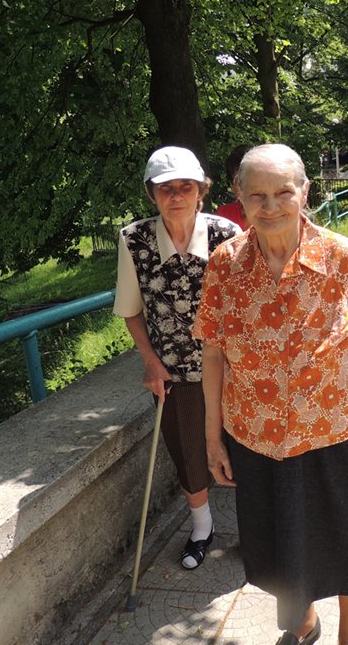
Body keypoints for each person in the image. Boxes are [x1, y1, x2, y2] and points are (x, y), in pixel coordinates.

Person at [194, 143, 348, 645]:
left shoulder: (343, 257)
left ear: (305, 192)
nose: (271, 206)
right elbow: (213, 354)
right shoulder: (223, 265)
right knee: (281, 548)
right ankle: (303, 622)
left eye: (283, 192)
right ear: (239, 196)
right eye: (257, 195)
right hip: (259, 438)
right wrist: (213, 440)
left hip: (342, 432)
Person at [113, 146, 241, 569]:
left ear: (201, 190)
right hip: (173, 369)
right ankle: (202, 527)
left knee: (246, 444)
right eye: (165, 188)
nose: (176, 196)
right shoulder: (134, 239)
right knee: (187, 449)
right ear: (151, 194)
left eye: (186, 186)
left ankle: (257, 527)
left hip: (234, 367)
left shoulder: (228, 235)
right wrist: (150, 361)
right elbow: (131, 309)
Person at [214, 143, 254, 230]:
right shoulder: (223, 216)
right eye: (240, 181)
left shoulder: (275, 213)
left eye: (253, 179)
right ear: (233, 186)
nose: (247, 186)